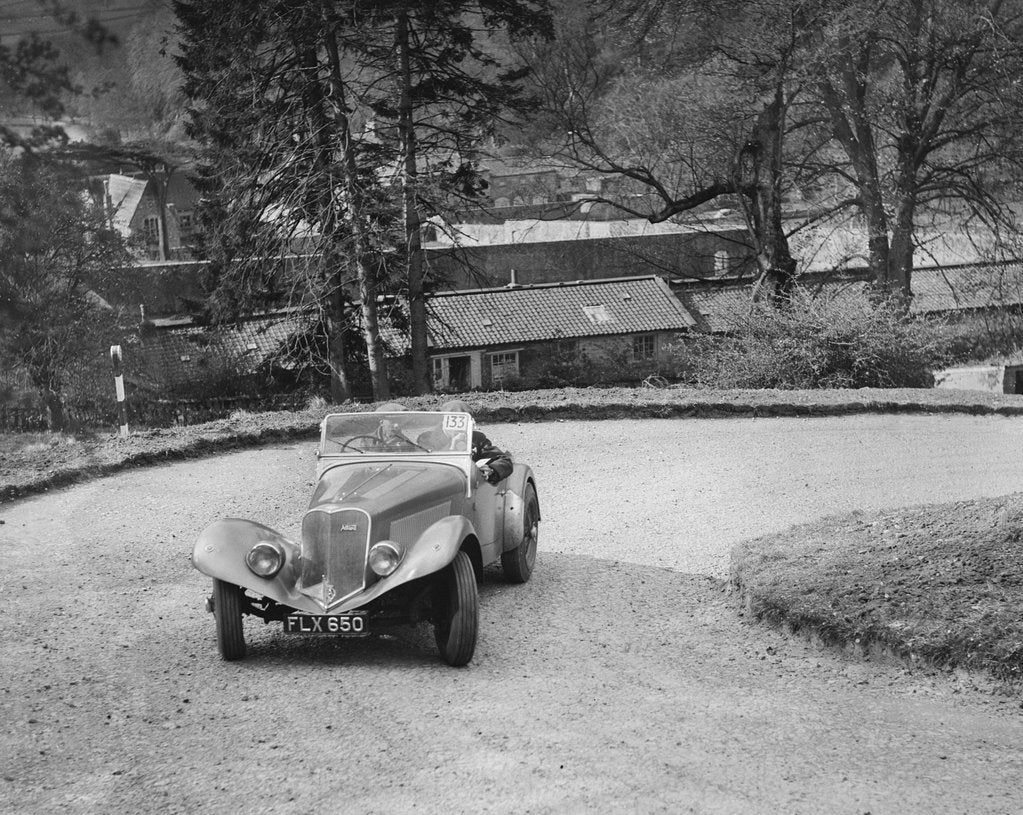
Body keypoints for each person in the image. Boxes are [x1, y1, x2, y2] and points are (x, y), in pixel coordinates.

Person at [432, 399, 512, 485]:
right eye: (452, 421)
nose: (457, 428)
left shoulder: (477, 439)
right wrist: (452, 446)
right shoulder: (428, 439)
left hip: (467, 485)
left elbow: (504, 460)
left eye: (463, 422)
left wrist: (491, 469)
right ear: (443, 422)